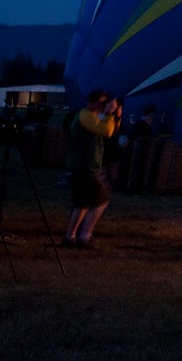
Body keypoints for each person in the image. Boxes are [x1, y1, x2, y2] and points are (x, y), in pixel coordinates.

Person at [63, 90, 122, 249]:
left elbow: (111, 130)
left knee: (83, 203)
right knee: (101, 200)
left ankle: (70, 236)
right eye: (103, 102)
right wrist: (109, 113)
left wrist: (115, 116)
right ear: (94, 101)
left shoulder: (93, 116)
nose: (104, 105)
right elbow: (106, 131)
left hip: (84, 166)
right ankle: (84, 235)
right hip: (84, 166)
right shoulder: (85, 115)